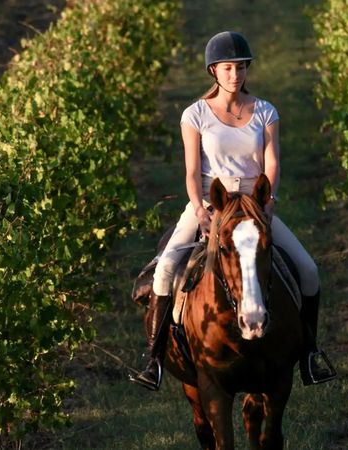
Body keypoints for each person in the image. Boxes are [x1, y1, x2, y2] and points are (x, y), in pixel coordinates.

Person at [130, 31, 336, 391]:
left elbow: (272, 164)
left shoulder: (265, 111)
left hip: (254, 206)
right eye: (228, 68)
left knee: (308, 269)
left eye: (241, 67)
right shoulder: (194, 114)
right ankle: (155, 360)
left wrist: (268, 203)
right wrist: (200, 210)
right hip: (212, 203)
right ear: (213, 70)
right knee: (164, 270)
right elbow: (192, 171)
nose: (235, 74)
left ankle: (309, 354)